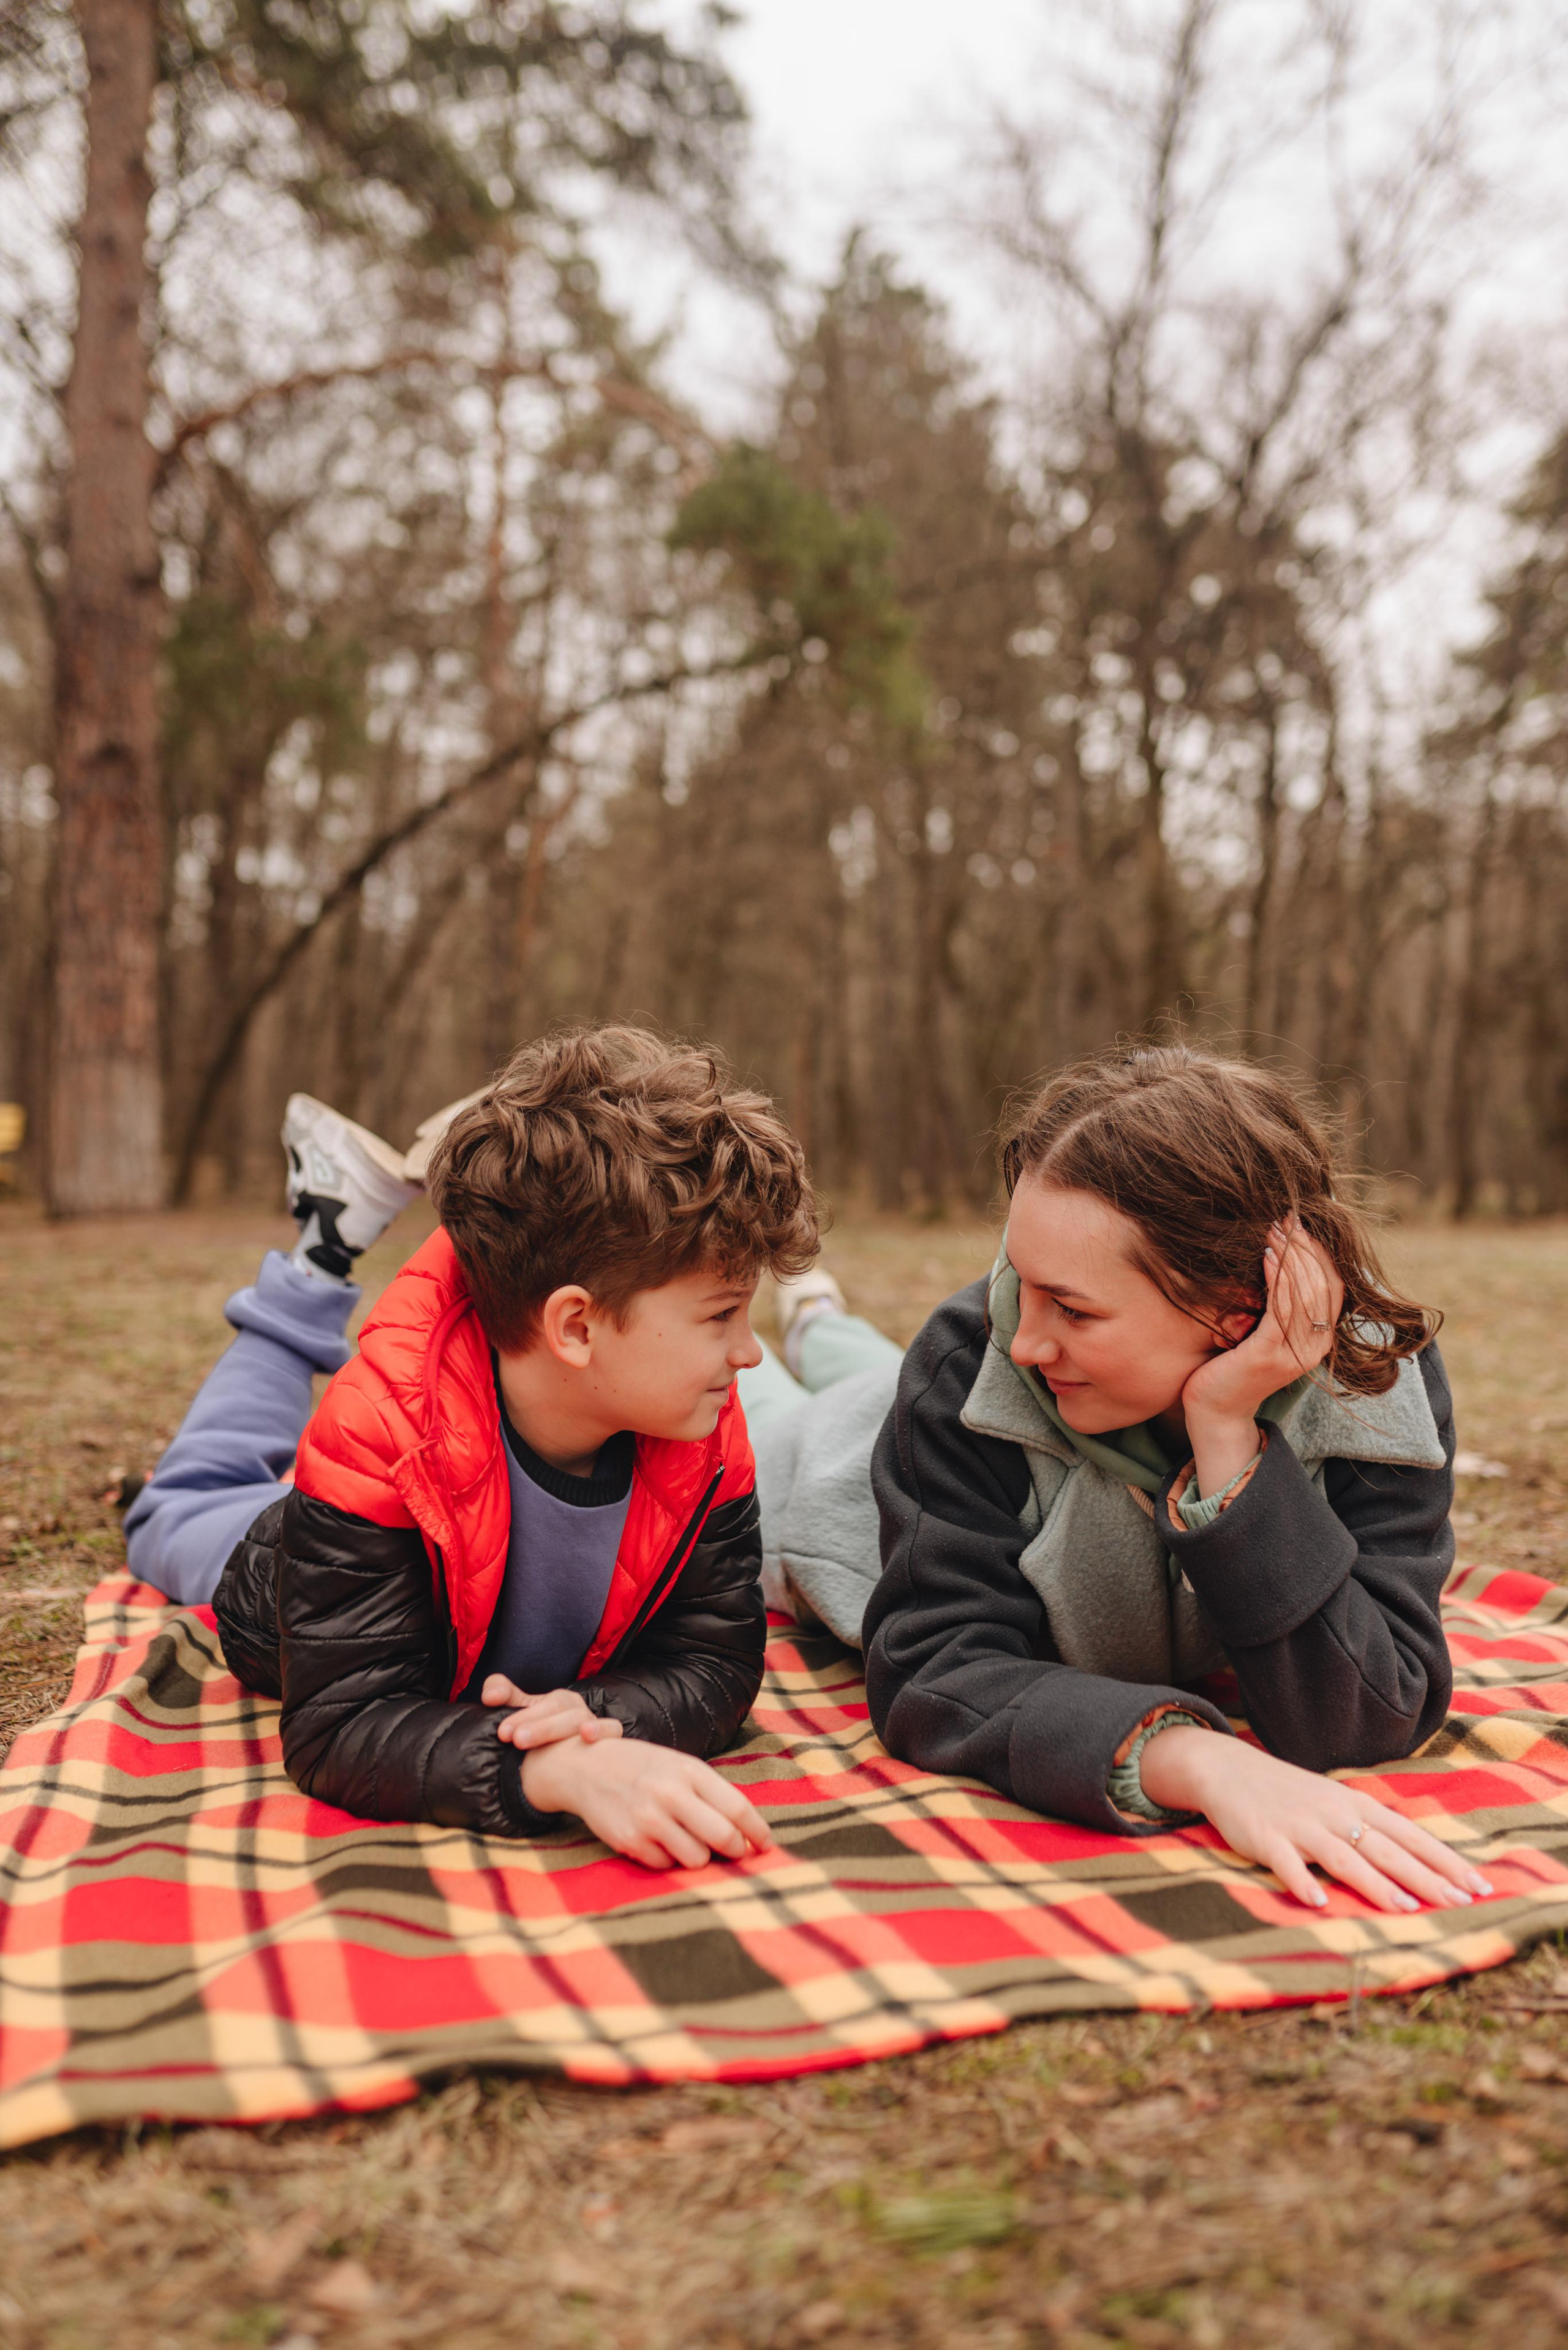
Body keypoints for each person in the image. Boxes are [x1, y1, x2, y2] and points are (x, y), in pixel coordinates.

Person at [746, 1045, 1493, 1918]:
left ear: (1234, 1311)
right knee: (754, 1395)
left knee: (866, 1363)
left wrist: (1229, 1439)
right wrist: (1203, 1762)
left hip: (916, 1389)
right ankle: (806, 1327)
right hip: (822, 1466)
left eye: (1074, 1307)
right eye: (1018, 1284)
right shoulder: (969, 1363)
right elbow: (936, 1671)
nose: (1025, 1337)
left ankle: (822, 1322)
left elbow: (1368, 1712)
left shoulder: (1377, 1384)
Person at [127, 1026, 819, 1870]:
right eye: (721, 1315)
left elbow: (714, 1659)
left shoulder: (700, 1424)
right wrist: (546, 1767)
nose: (750, 1352)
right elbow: (343, 1723)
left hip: (444, 1471)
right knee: (175, 1507)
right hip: (289, 1566)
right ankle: (321, 1253)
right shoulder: (380, 1433)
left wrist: (597, 1721)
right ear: (576, 1325)